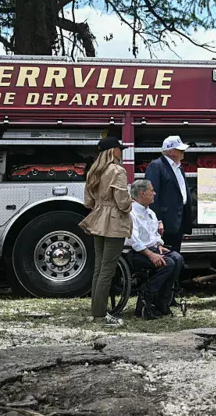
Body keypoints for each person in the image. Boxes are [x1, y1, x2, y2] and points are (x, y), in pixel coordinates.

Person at [79, 136, 132, 327]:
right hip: (114, 221)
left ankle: (97, 312)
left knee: (99, 268)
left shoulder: (94, 171)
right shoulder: (117, 170)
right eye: (120, 149)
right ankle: (101, 315)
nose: (121, 152)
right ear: (113, 151)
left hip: (98, 218)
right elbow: (122, 201)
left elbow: (88, 201)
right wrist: (129, 204)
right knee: (108, 269)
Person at [127, 179, 185, 319]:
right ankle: (145, 301)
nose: (154, 193)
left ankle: (162, 303)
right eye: (151, 190)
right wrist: (151, 255)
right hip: (135, 253)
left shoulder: (151, 213)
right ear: (142, 193)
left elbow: (153, 235)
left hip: (151, 248)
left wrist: (159, 246)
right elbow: (132, 239)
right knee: (167, 264)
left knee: (177, 258)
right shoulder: (131, 213)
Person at [144, 135, 193, 253]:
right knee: (166, 254)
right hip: (165, 222)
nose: (183, 152)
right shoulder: (156, 166)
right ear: (171, 151)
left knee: (176, 252)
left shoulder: (178, 167)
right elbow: (151, 196)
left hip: (178, 219)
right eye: (180, 150)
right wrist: (158, 220)